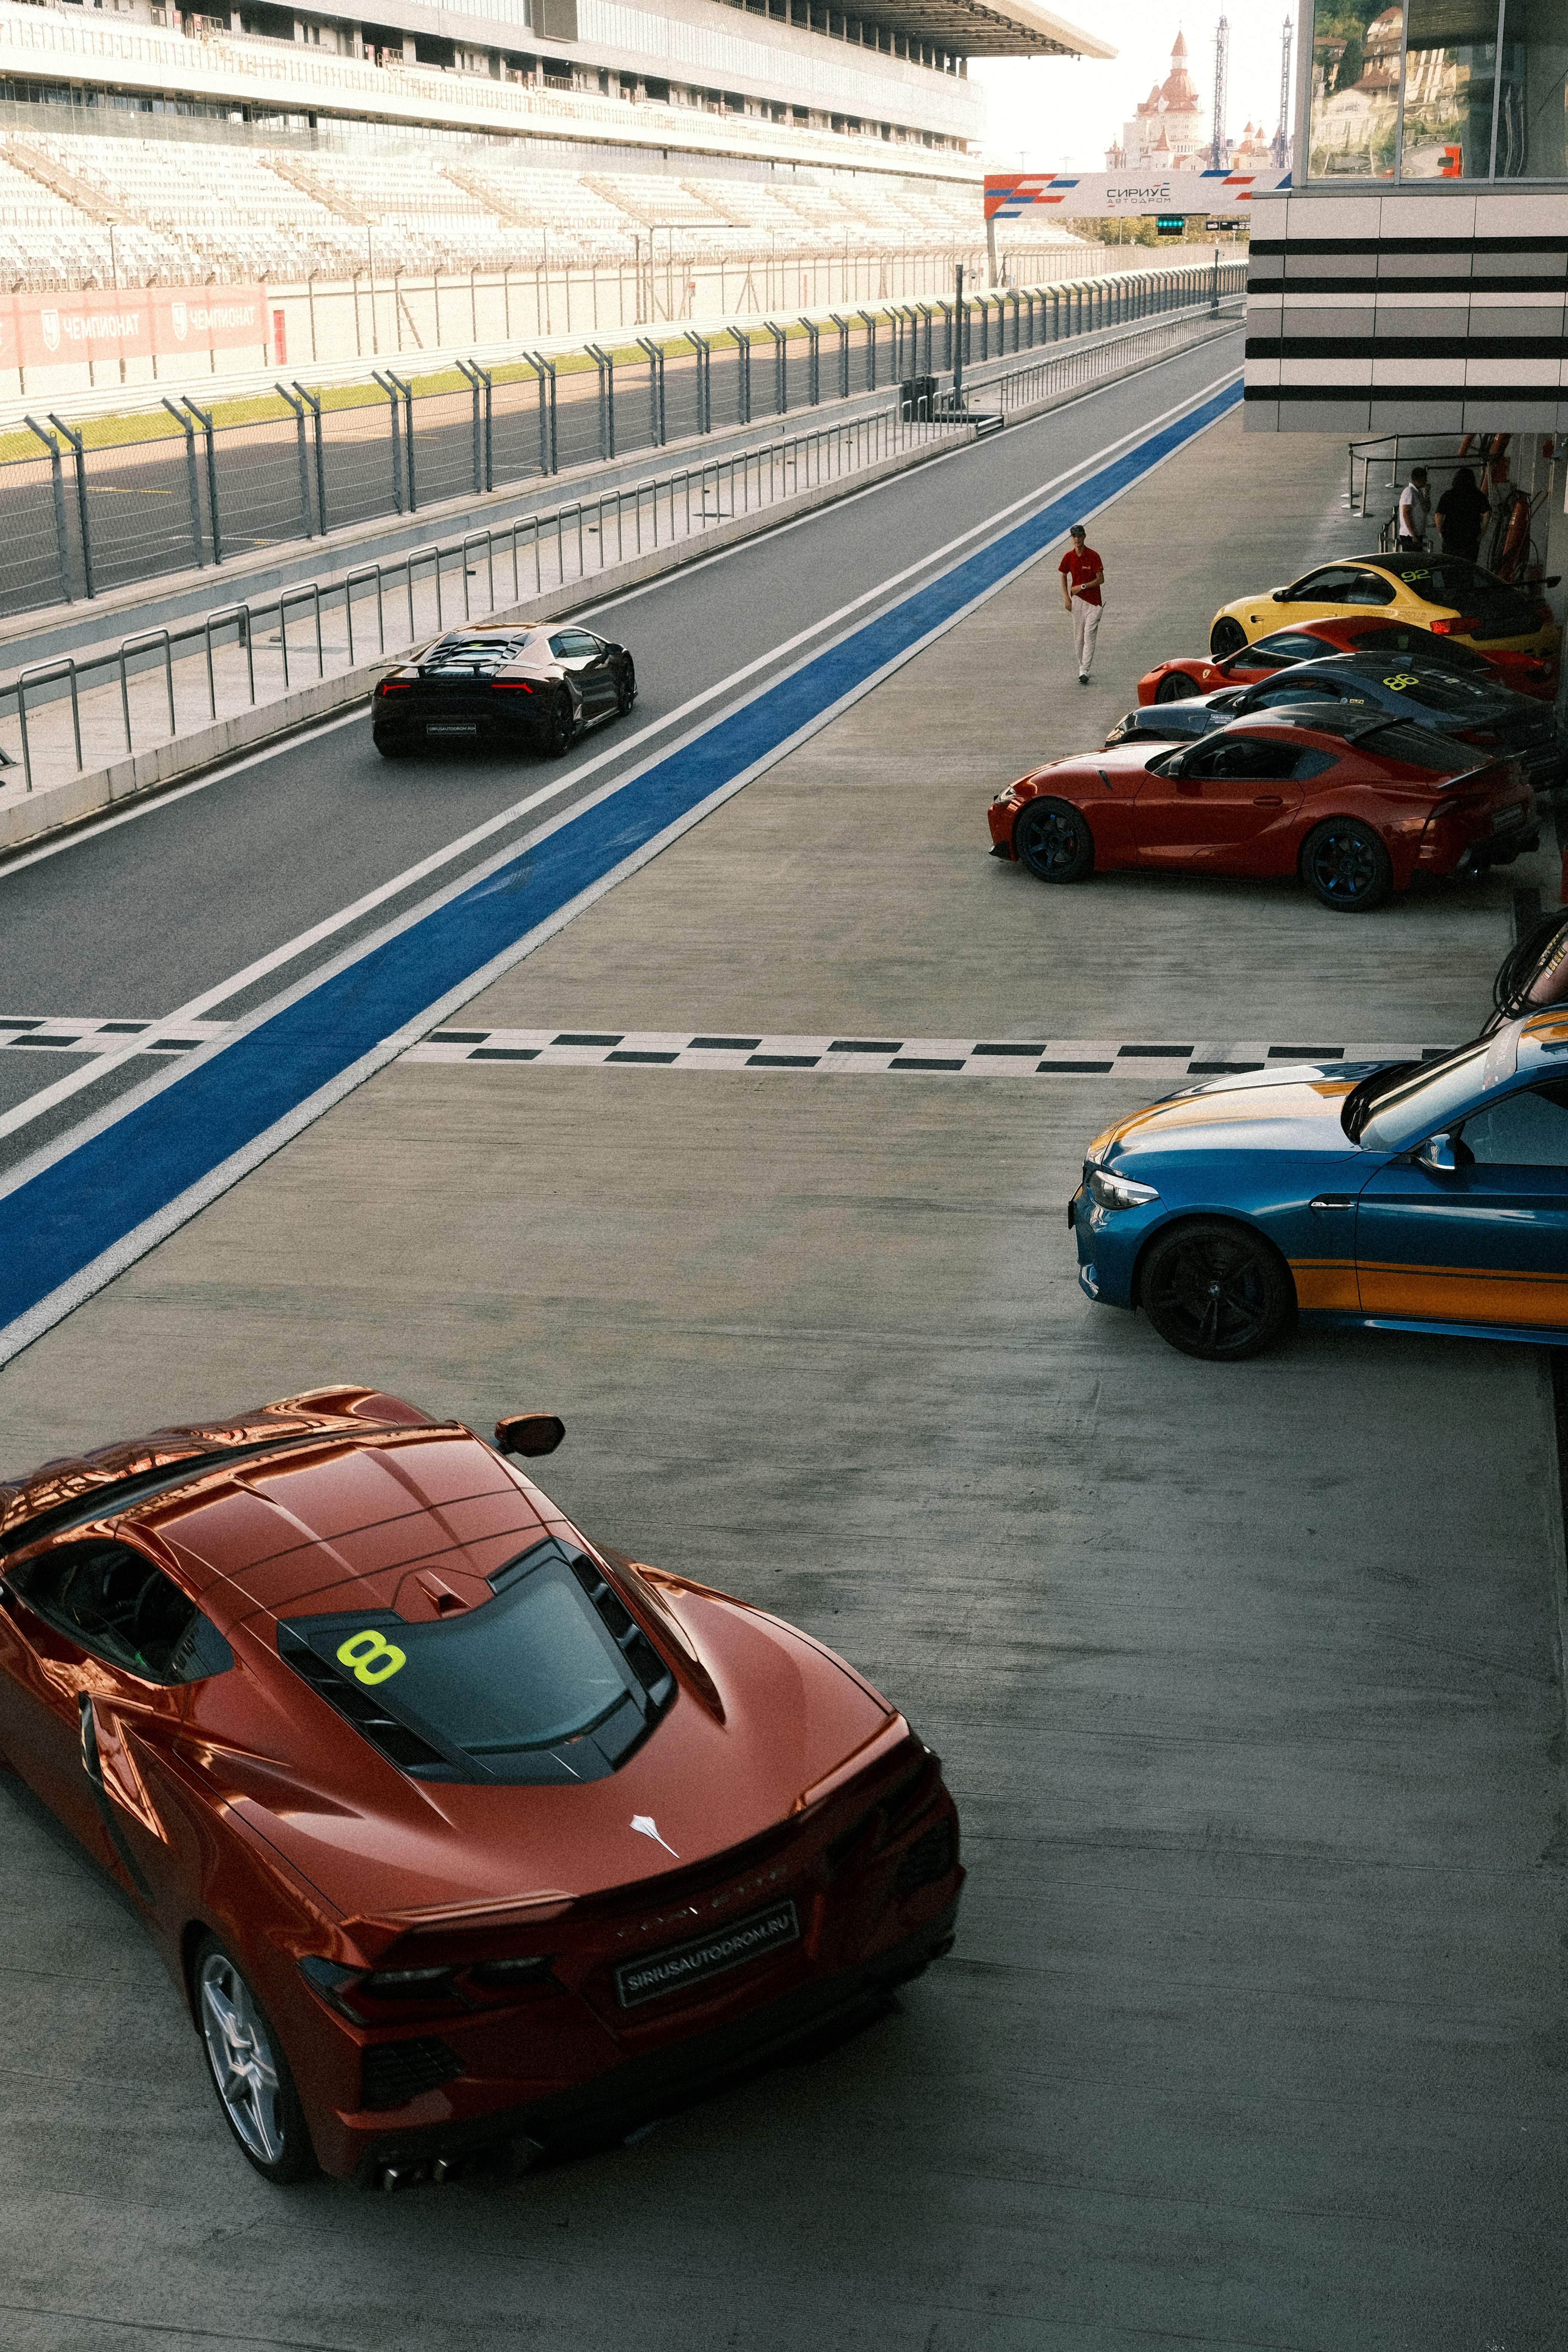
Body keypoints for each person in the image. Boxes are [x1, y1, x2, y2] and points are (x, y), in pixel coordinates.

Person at [1058, 524, 1105, 684]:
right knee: (1079, 638)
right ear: (1071, 538)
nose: (1077, 539)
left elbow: (1101, 579)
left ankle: (1085, 670)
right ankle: (1081, 667)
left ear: (1085, 537)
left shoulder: (1093, 556)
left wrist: (1083, 586)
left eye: (1080, 536)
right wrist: (1067, 598)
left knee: (1089, 635)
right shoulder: (1068, 557)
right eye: (1074, 536)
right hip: (1077, 602)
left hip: (1094, 603)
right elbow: (1063, 576)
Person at [1433, 464, 1489, 561]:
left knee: (1450, 566)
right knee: (1468, 568)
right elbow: (1487, 513)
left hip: (1451, 538)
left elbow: (1439, 515)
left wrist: (1440, 532)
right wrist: (1482, 533)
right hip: (1471, 538)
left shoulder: (1448, 495)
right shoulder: (1478, 495)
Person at [1396, 467, 1430, 551]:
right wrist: (1413, 535)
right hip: (1410, 535)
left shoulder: (1418, 492)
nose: (1426, 481)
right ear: (1419, 479)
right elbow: (1406, 514)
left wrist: (1427, 494)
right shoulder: (1409, 492)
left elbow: (1427, 508)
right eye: (1425, 478)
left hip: (1417, 533)